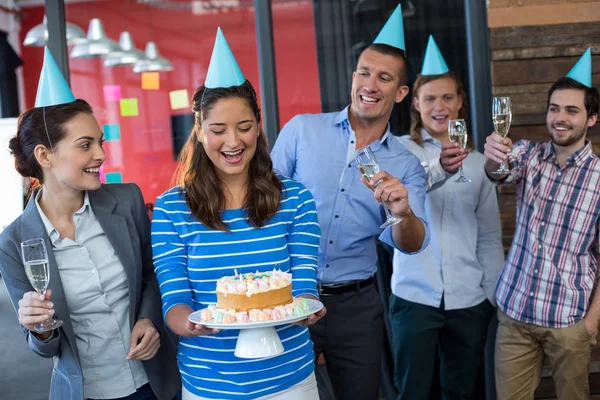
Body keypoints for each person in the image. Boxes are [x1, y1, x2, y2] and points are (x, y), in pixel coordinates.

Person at [151, 28, 325, 400]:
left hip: (290, 380)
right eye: (218, 130)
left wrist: (309, 307)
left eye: (244, 127)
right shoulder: (170, 209)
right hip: (208, 383)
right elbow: (175, 299)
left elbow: (305, 283)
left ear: (258, 127)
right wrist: (192, 324)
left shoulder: (296, 199)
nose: (233, 142)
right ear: (198, 132)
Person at [0, 48, 180, 400]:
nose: (100, 154)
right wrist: (38, 329)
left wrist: (148, 319)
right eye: (85, 145)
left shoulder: (127, 201)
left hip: (156, 383)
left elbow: (153, 273)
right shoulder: (14, 242)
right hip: (86, 392)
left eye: (99, 142)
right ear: (45, 156)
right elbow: (44, 348)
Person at [270, 5, 430, 400]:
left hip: (355, 306)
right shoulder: (301, 131)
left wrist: (402, 212)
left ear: (402, 92)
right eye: (364, 71)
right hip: (288, 297)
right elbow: (263, 204)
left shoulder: (406, 166)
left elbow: (414, 242)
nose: (370, 84)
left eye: (384, 77)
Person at [390, 36, 504, 399]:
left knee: (462, 392)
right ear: (416, 104)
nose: (439, 106)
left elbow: (488, 236)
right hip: (414, 298)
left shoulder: (478, 163)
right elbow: (402, 197)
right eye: (430, 98)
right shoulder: (400, 151)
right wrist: (438, 167)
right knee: (413, 392)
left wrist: (491, 296)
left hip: (469, 300)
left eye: (447, 97)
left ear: (460, 103)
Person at [484, 48, 600, 400]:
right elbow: (498, 172)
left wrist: (590, 325)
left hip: (569, 320)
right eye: (554, 109)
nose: (559, 118)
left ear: (591, 119)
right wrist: (493, 156)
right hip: (515, 313)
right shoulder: (527, 154)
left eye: (571, 110)